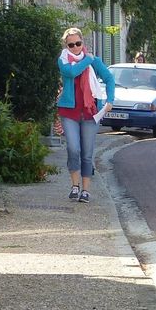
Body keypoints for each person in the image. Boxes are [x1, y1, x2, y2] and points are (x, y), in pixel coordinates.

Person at [56, 28, 115, 203]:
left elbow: (109, 79)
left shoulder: (94, 61)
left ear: (83, 43)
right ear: (66, 46)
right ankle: (75, 186)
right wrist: (87, 59)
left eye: (78, 43)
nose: (75, 47)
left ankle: (86, 190)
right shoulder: (63, 61)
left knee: (87, 153)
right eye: (71, 45)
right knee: (73, 148)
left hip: (90, 113)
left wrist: (110, 100)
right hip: (69, 112)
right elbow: (72, 72)